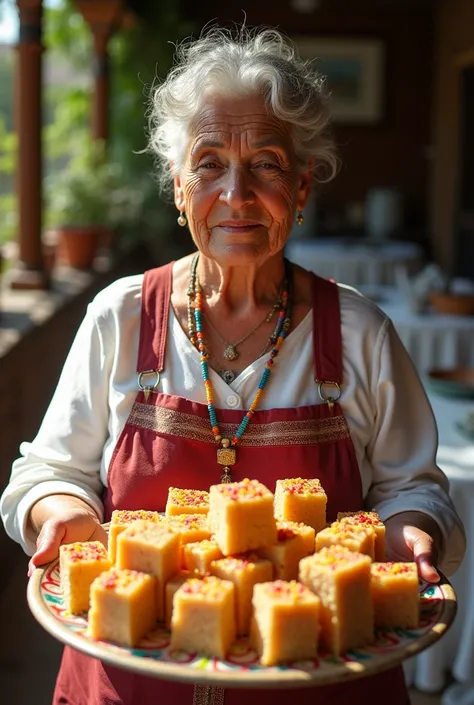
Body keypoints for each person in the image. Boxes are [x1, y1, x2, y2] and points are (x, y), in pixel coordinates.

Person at [0, 26, 465, 705]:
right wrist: (61, 510)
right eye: (210, 162)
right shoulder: (122, 316)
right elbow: (48, 469)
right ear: (180, 187)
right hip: (126, 685)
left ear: (303, 186)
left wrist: (408, 530)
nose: (237, 192)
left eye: (268, 164)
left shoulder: (361, 332)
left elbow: (414, 488)